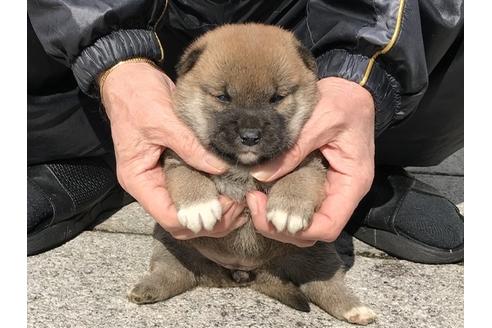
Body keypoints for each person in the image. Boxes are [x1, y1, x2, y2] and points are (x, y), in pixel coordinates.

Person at [27, 0, 464, 263]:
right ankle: (88, 156)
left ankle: (357, 160)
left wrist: (364, 68)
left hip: (310, 25)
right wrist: (110, 56)